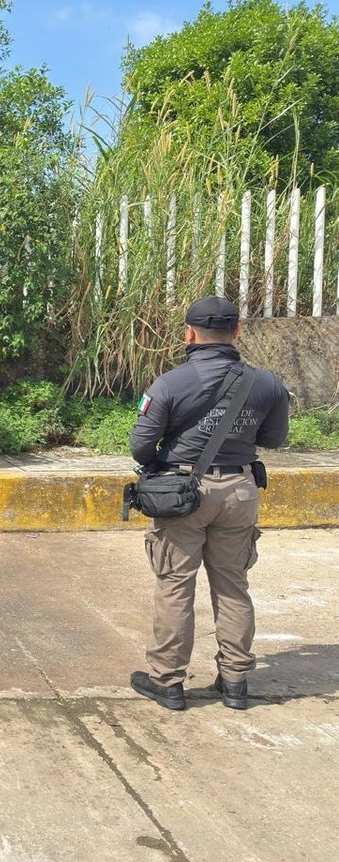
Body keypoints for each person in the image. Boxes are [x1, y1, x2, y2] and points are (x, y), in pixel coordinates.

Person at [128, 296, 289, 711]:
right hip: (239, 491)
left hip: (183, 495)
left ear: (189, 333)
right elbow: (273, 439)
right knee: (233, 584)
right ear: (237, 331)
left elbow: (141, 446)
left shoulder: (169, 384)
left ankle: (168, 682)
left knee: (175, 585)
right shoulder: (267, 383)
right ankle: (235, 682)